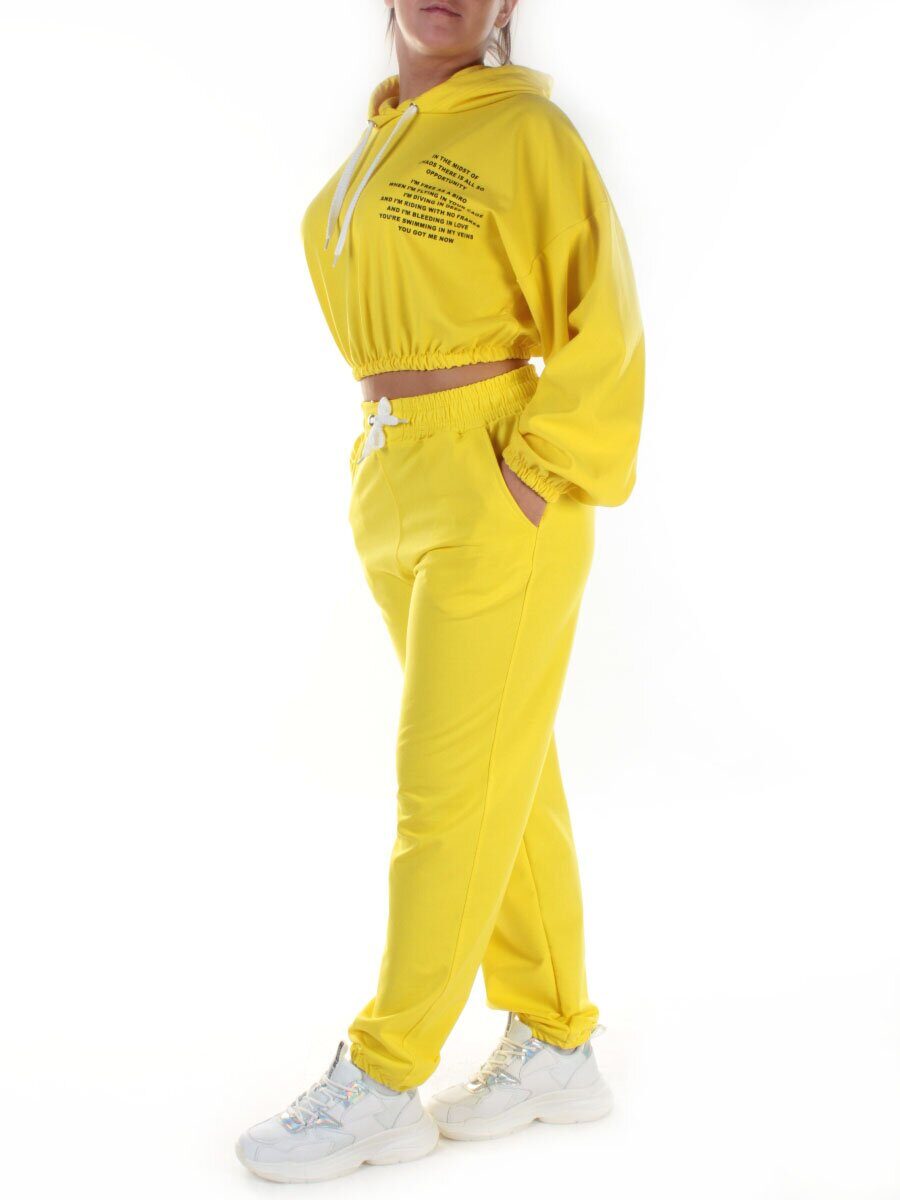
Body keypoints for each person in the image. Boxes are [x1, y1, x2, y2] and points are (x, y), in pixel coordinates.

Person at [236, 0, 645, 1182]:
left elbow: (605, 312)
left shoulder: (525, 132)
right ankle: (557, 1038)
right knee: (507, 769)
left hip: (493, 473)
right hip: (393, 469)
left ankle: (383, 1073)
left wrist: (537, 468)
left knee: (444, 792)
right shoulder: (380, 145)